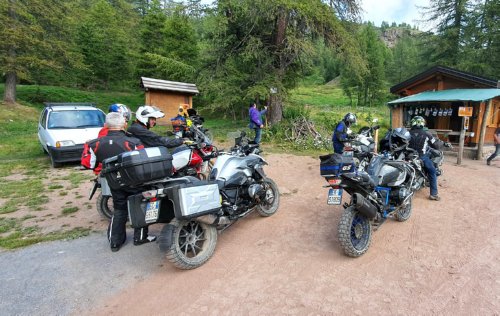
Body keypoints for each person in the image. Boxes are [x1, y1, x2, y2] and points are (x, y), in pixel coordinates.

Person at [83, 112, 156, 252]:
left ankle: (115, 242)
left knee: (119, 209)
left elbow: (88, 164)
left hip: (114, 182)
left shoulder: (93, 144)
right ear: (124, 125)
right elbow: (143, 164)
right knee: (139, 207)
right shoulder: (133, 142)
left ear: (105, 126)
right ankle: (140, 238)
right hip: (134, 182)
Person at [408, 116, 443, 201]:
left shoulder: (407, 133)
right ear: (422, 123)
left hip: (408, 156)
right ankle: (433, 194)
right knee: (432, 171)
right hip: (422, 157)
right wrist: (441, 143)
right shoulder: (427, 134)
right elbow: (435, 145)